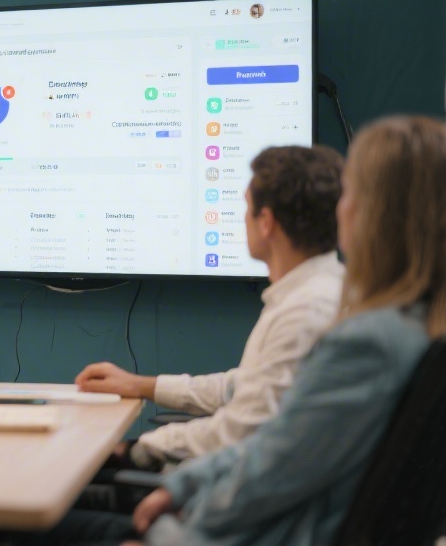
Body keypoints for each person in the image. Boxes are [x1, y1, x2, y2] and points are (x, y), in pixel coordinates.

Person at [56, 116, 446, 545]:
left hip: (254, 534)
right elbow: (278, 438)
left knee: (27, 520)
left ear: (376, 214)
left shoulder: (368, 341)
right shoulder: (435, 334)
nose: (342, 207)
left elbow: (274, 464)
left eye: (352, 192)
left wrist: (180, 505)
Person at [77, 145, 345, 470]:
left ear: (266, 223)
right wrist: (141, 386)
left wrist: (138, 448)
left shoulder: (305, 312)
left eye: (246, 207)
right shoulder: (317, 291)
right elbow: (241, 388)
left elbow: (241, 432)